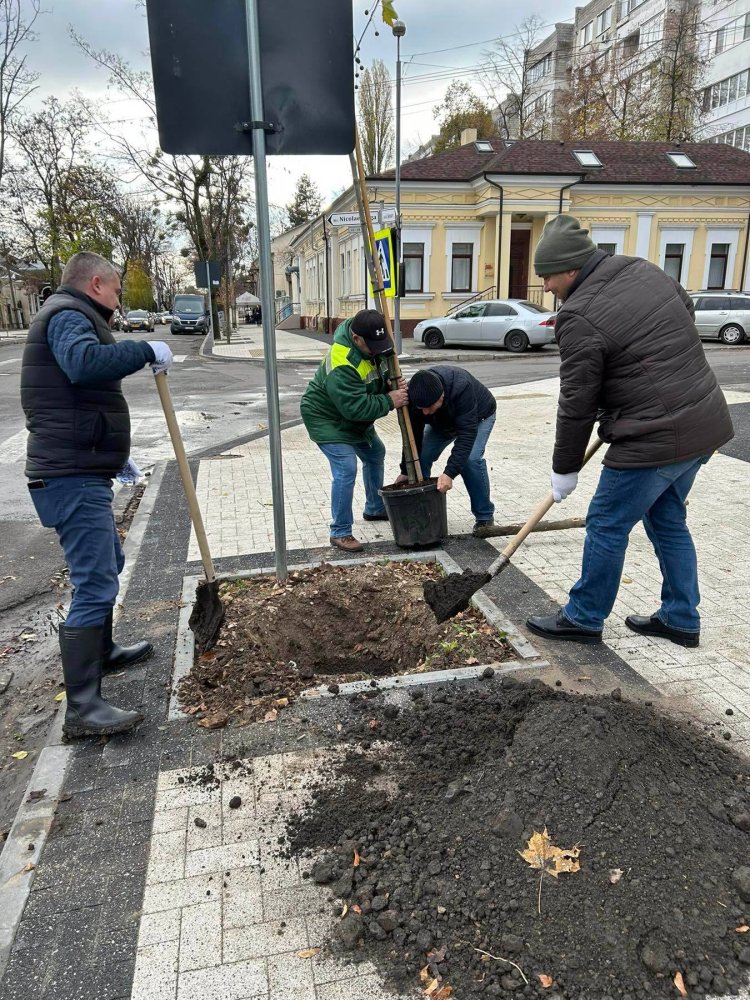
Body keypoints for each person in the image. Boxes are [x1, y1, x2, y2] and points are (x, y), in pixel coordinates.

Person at [525, 215, 734, 647]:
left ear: (569, 269)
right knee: (667, 519)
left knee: (605, 523)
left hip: (656, 437)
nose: (545, 287)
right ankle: (680, 618)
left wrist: (564, 469)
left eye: (546, 277)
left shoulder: (579, 316)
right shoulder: (642, 268)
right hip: (705, 423)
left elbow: (576, 404)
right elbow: (683, 308)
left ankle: (583, 617)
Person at [20, 251, 174, 738]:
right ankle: (82, 708)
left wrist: (110, 454)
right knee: (96, 582)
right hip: (69, 475)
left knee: (108, 561)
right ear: (95, 284)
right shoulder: (68, 315)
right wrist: (145, 349)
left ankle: (103, 653)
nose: (119, 297)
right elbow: (85, 365)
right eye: (115, 288)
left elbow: (74, 395)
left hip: (81, 466)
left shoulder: (70, 313)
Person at [300, 309, 408, 552]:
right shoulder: (342, 361)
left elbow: (376, 375)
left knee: (374, 453)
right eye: (372, 346)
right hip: (326, 418)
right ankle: (340, 531)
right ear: (357, 339)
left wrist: (392, 383)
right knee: (346, 467)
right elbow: (355, 408)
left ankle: (374, 508)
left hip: (352, 418)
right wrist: (390, 400)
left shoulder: (374, 339)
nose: (376, 350)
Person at [395, 366, 497, 538]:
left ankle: (484, 517)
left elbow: (466, 434)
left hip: (479, 417)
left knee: (470, 460)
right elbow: (413, 436)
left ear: (441, 396)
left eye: (428, 407)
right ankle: (420, 513)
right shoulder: (416, 394)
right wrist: (406, 470)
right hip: (442, 422)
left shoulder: (461, 387)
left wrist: (449, 473)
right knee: (421, 457)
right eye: (421, 409)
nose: (425, 412)